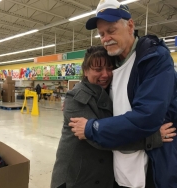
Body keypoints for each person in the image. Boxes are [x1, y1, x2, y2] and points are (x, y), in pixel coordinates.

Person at [69, 0, 177, 187]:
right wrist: (76, 98)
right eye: (101, 34)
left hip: (151, 170)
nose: (105, 38)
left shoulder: (154, 59)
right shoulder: (114, 64)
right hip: (119, 171)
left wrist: (92, 128)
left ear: (130, 26)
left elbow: (147, 117)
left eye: (111, 30)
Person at [51, 46, 166, 188]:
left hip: (100, 177)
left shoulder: (111, 93)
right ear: (86, 71)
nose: (105, 74)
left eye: (109, 68)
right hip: (76, 179)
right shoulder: (76, 98)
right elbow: (103, 138)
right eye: (98, 70)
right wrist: (152, 138)